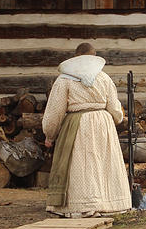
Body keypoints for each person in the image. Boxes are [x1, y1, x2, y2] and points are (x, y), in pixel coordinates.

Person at [43, 43, 131, 217]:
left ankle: (84, 205)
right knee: (102, 161)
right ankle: (110, 204)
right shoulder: (104, 78)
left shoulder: (64, 80)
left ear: (75, 57)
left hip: (78, 123)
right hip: (103, 122)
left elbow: (55, 110)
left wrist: (50, 134)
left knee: (83, 163)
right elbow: (115, 109)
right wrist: (115, 119)